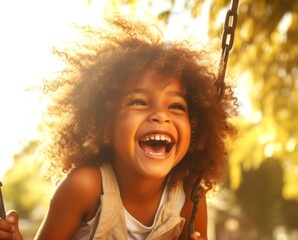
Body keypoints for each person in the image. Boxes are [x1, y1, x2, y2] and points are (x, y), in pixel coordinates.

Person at [0, 15, 237, 240]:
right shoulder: (85, 186)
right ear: (105, 121)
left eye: (176, 106)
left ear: (195, 124)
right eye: (139, 102)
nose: (160, 116)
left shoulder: (189, 196)